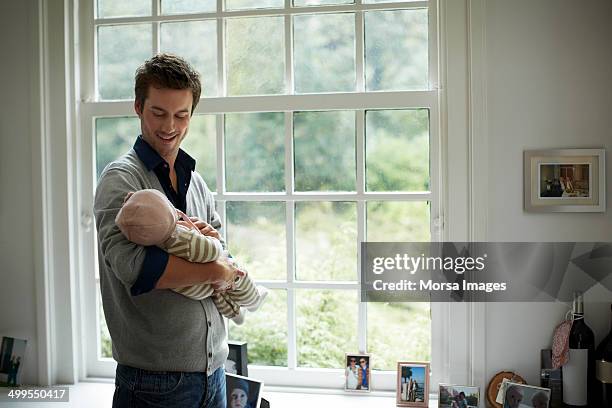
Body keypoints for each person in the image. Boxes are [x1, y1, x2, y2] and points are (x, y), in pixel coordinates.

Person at [94, 53, 240, 408]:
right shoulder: (121, 179)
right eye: (158, 113)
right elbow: (134, 267)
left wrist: (218, 253)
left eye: (181, 115)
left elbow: (225, 253)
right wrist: (215, 270)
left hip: (214, 373)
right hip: (153, 384)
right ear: (138, 107)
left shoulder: (197, 182)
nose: (169, 126)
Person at [115, 189, 268, 324]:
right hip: (200, 285)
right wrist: (213, 239)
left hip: (190, 289)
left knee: (218, 293)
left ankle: (235, 313)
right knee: (237, 273)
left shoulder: (153, 240)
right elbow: (213, 252)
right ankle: (253, 300)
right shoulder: (181, 238)